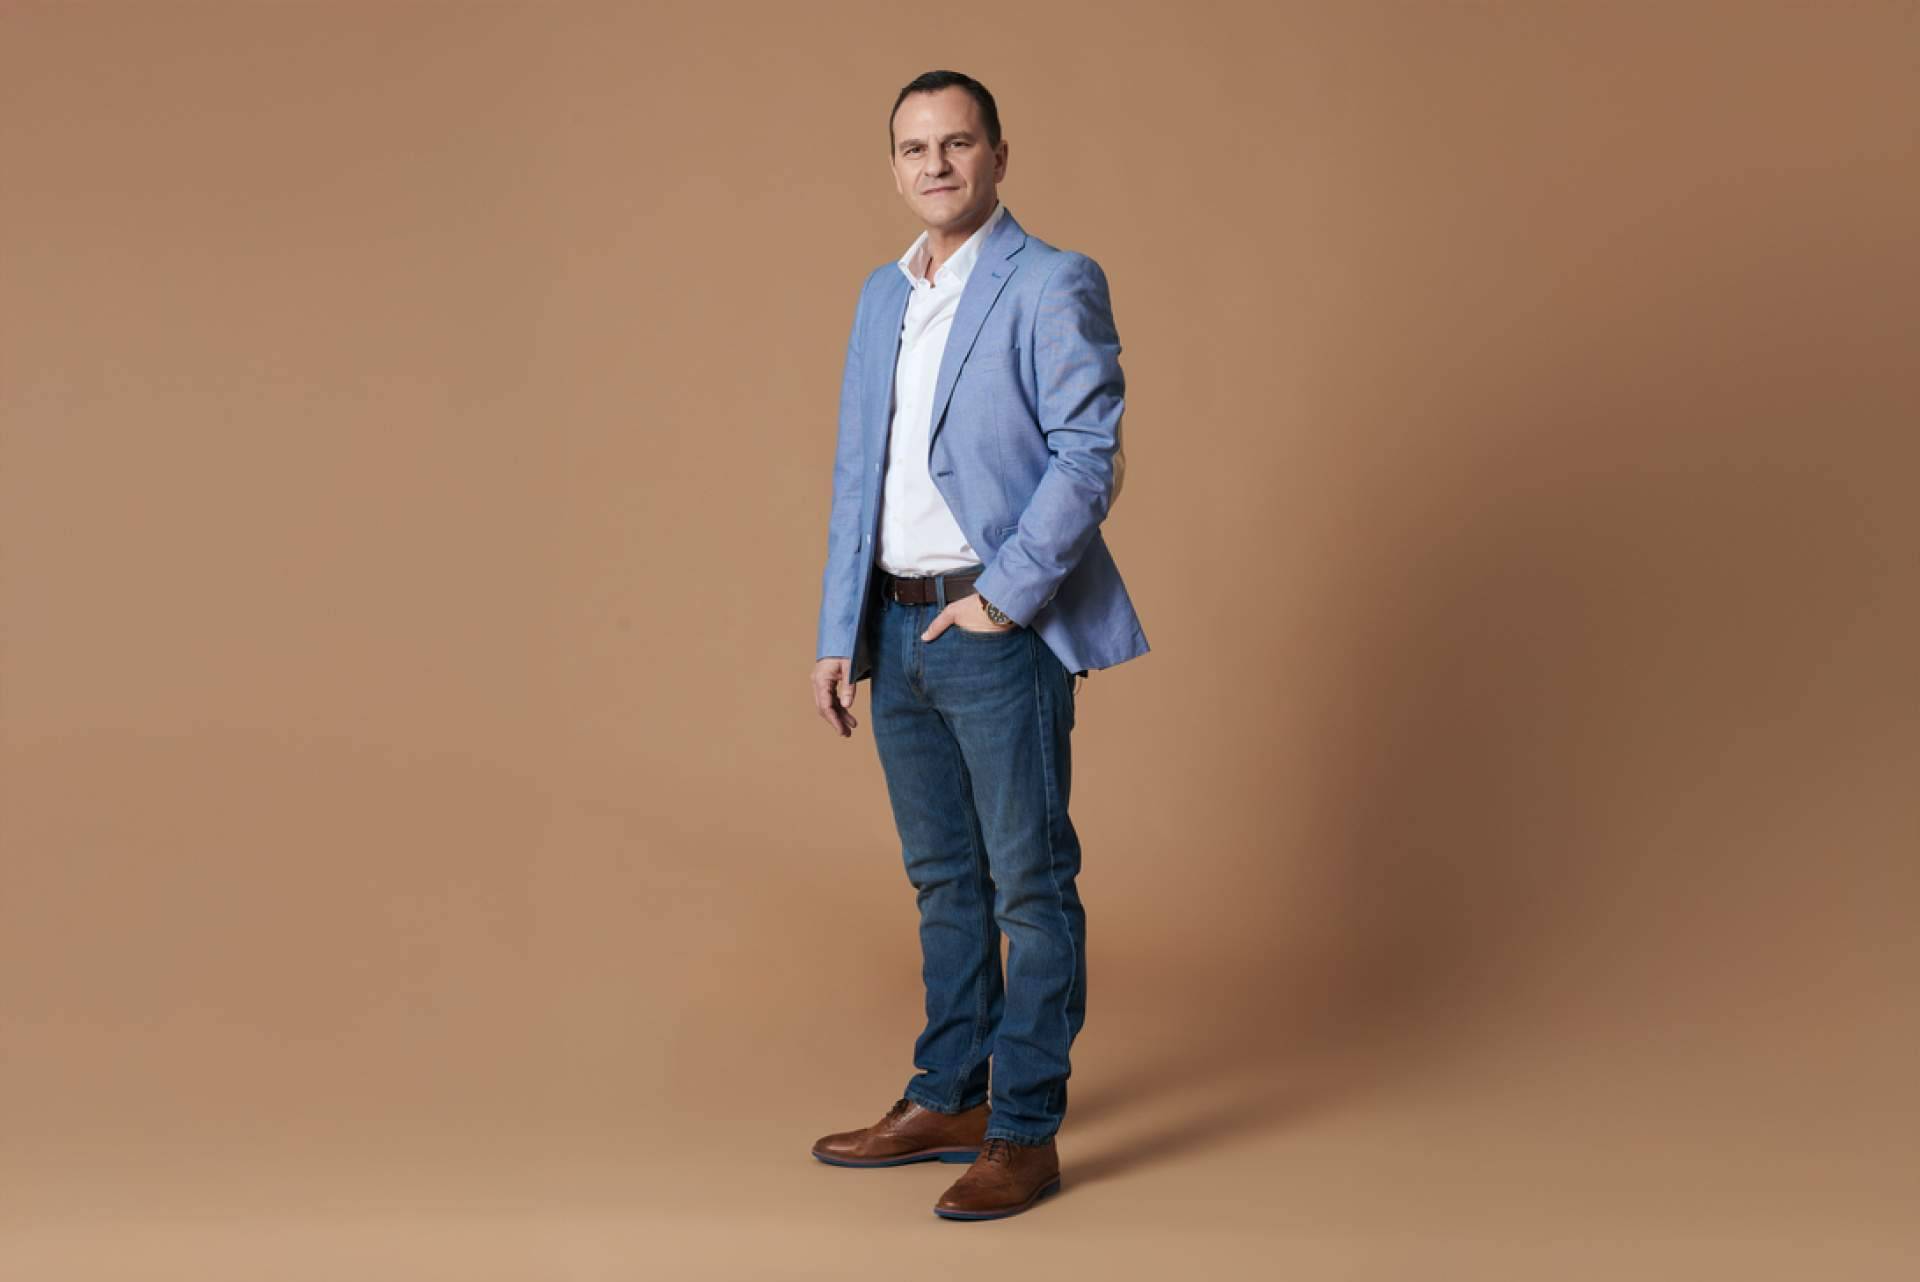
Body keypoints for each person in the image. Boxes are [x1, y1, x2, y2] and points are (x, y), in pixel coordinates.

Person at [807, 69, 1149, 1221]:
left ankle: (1023, 1127)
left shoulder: (1052, 281)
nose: (937, 165)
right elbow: (858, 474)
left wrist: (1002, 600)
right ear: (895, 166)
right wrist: (838, 631)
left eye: (957, 143)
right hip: (894, 622)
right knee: (943, 879)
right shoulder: (880, 295)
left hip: (995, 627)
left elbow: (1088, 456)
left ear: (999, 154)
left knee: (1030, 887)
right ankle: (948, 1093)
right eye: (915, 148)